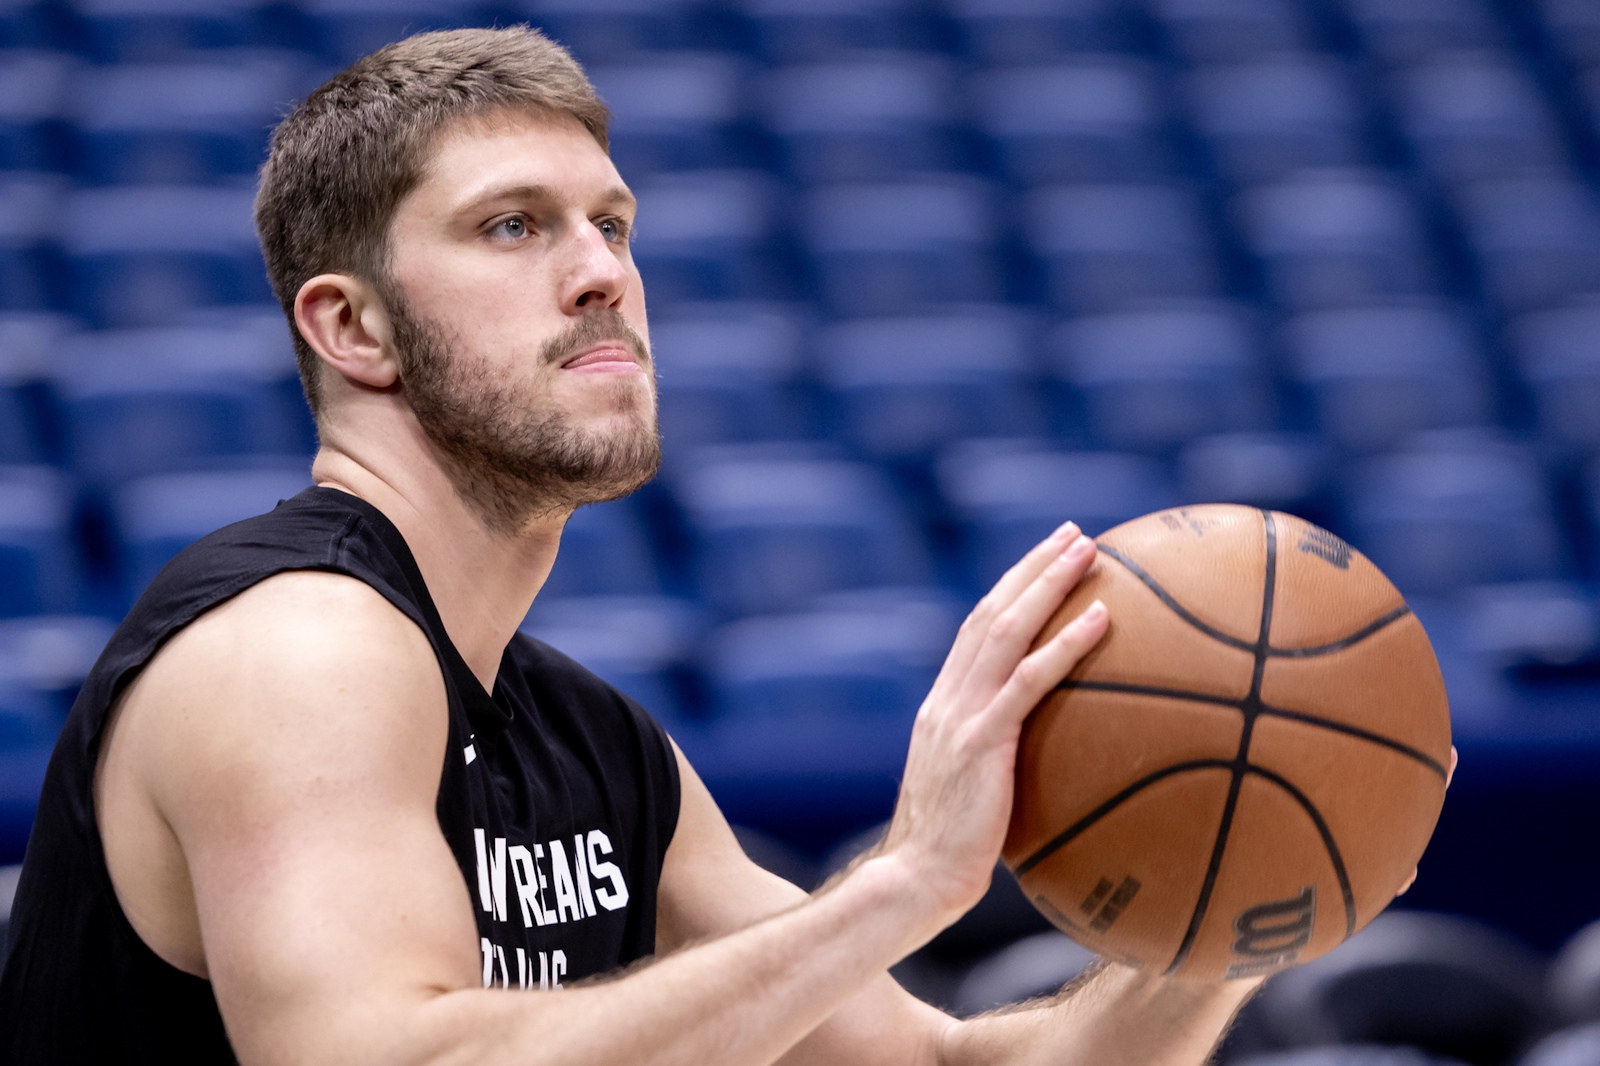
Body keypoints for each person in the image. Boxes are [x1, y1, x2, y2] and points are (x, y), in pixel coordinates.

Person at [0, 26, 1267, 1063]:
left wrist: (1244, 910)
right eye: (514, 226)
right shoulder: (296, 648)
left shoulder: (591, 739)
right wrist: (903, 884)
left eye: (612, 225)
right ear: (354, 329)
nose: (601, 272)